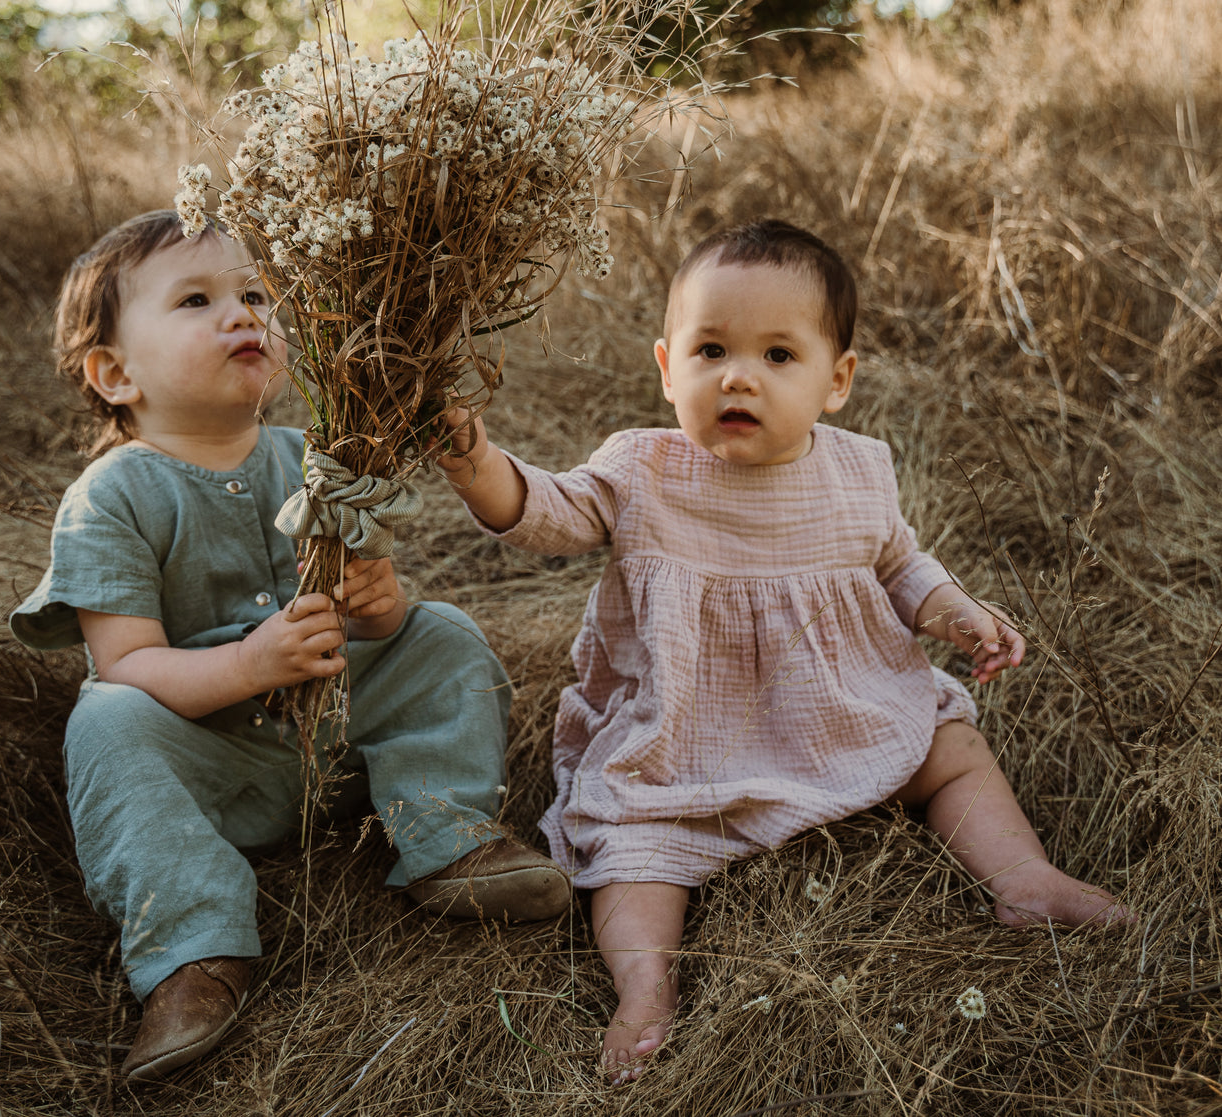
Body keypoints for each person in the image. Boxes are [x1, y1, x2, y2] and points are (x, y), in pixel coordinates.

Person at [435, 219, 1130, 1084]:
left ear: (835, 380)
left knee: (949, 744)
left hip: (835, 708)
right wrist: (477, 466)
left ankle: (1023, 876)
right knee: (632, 842)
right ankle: (645, 983)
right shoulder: (643, 469)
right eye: (710, 350)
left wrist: (951, 608)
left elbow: (898, 562)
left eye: (777, 355)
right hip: (686, 732)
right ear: (667, 368)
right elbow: (549, 511)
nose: (738, 375)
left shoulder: (856, 471)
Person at [10, 210, 570, 1084]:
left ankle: (446, 836)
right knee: (108, 722)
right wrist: (247, 665)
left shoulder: (313, 455)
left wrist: (379, 606)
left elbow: (372, 620)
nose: (241, 314)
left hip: (339, 745)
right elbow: (126, 663)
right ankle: (194, 948)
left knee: (441, 633)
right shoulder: (110, 496)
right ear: (115, 373)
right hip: (213, 768)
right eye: (196, 301)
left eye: (254, 295)